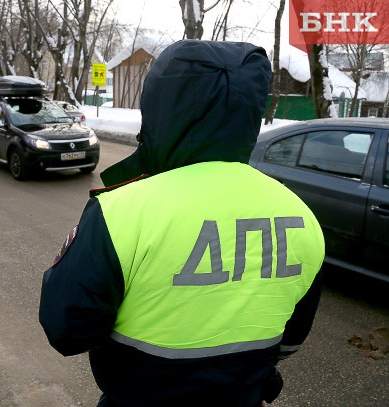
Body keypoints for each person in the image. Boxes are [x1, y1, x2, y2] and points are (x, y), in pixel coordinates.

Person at [39, 40, 325, 407]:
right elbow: (292, 338)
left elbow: (67, 330)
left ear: (161, 108)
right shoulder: (301, 215)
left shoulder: (120, 210)